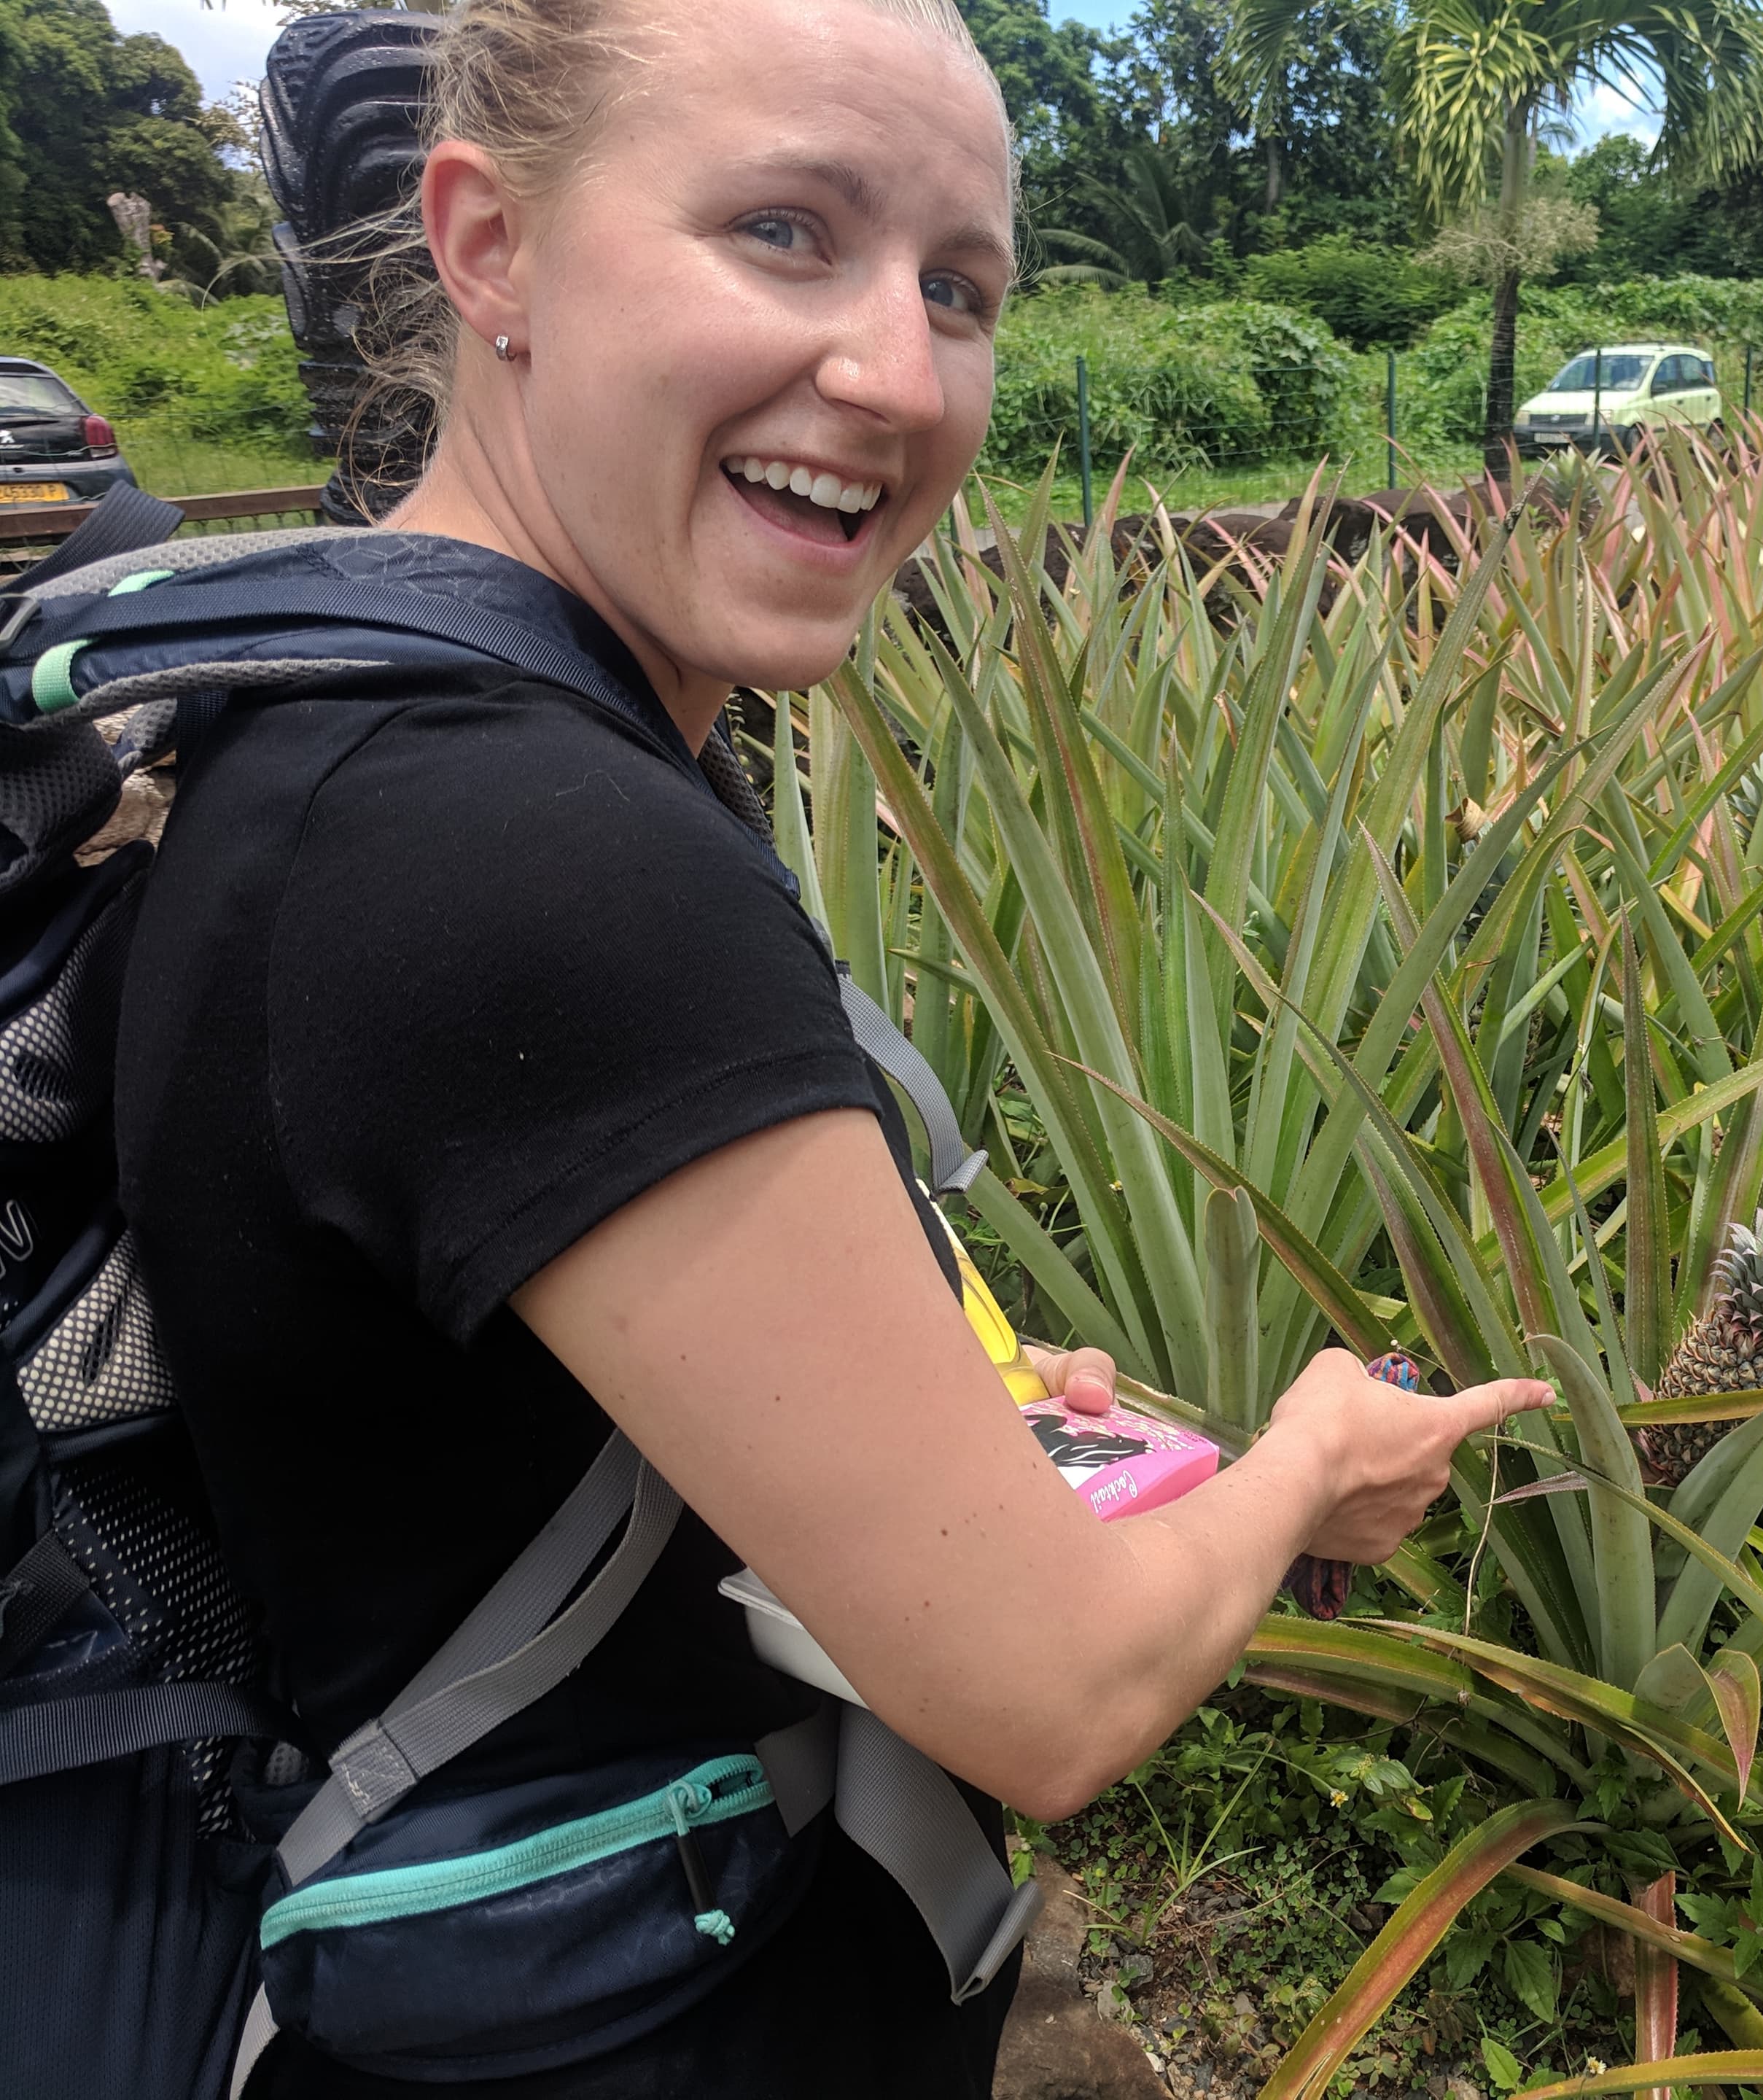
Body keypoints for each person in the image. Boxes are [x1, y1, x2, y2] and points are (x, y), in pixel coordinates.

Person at [109, 1, 1548, 2092]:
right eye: (785, 231)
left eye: (961, 287)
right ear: (487, 246)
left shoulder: (339, 717)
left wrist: (937, 1429)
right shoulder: (538, 853)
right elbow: (1056, 1702)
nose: (895, 373)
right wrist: (1316, 1456)